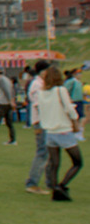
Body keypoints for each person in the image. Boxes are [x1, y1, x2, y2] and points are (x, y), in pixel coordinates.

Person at [37, 65, 82, 201]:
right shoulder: (60, 90)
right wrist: (75, 119)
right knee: (77, 162)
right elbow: (69, 108)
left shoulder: (41, 92)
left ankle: (55, 188)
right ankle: (61, 186)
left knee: (54, 163)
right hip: (63, 130)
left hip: (50, 131)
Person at [26, 60, 53, 195]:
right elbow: (38, 104)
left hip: (45, 121)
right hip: (41, 122)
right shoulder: (37, 85)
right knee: (42, 152)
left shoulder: (41, 83)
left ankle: (50, 182)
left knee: (49, 152)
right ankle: (32, 183)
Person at [64, 67, 85, 139]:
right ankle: (76, 133)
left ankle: (79, 133)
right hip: (74, 102)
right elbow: (65, 91)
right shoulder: (71, 82)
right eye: (78, 73)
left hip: (80, 101)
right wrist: (69, 99)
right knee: (75, 118)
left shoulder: (79, 82)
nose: (80, 75)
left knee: (81, 118)